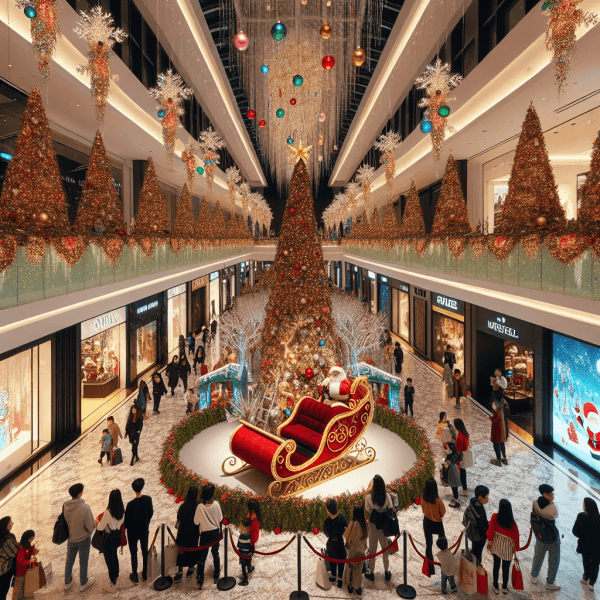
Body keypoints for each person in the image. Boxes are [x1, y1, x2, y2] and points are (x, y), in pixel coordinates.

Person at [63, 483, 96, 592]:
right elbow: (90, 526)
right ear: (79, 493)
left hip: (71, 538)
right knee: (83, 560)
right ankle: (83, 582)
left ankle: (67, 582)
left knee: (69, 560)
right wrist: (90, 530)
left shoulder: (65, 506)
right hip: (83, 539)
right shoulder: (84, 507)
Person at [530, 484, 560, 591]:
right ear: (545, 494)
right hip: (551, 537)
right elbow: (556, 515)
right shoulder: (552, 507)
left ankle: (534, 576)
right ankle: (549, 583)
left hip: (540, 535)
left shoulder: (535, 503)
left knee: (538, 555)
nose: (553, 495)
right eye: (551, 493)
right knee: (554, 559)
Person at [486, 499, 520, 594]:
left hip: (497, 547)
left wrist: (490, 542)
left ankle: (495, 586)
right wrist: (516, 548)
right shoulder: (512, 523)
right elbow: (515, 537)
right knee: (506, 569)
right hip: (508, 550)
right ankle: (504, 587)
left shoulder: (495, 517)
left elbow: (490, 532)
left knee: (496, 567)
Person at [124, 478, 153, 585]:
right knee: (144, 551)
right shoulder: (148, 499)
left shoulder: (130, 505)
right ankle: (145, 573)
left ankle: (135, 575)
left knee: (133, 553)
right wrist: (146, 522)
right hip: (144, 530)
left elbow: (126, 523)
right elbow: (150, 513)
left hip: (132, 533)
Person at [95, 489, 125, 593]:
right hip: (117, 538)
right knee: (114, 556)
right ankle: (116, 574)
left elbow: (100, 528)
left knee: (109, 560)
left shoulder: (108, 513)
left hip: (108, 539)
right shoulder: (122, 511)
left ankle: (113, 583)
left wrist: (97, 522)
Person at [194, 483, 222, 590]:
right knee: (215, 553)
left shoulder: (200, 507)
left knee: (202, 557)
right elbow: (220, 519)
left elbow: (196, 522)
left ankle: (200, 579)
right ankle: (216, 574)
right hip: (215, 533)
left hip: (205, 535)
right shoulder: (217, 504)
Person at [364, 475, 393, 582]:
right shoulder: (387, 496)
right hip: (384, 525)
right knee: (385, 547)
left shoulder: (368, 497)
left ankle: (371, 572)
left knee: (372, 549)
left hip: (373, 525)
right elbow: (390, 508)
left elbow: (367, 509)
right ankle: (387, 571)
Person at [573, 497, 600, 592]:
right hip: (597, 547)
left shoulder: (581, 516)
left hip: (585, 545)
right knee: (595, 565)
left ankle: (586, 577)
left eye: (583, 504)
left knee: (586, 562)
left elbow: (575, 532)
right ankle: (592, 583)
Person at [421, 478, 446, 576]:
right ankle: (444, 564)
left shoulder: (423, 496)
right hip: (438, 524)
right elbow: (443, 513)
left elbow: (423, 509)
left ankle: (430, 569)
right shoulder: (438, 501)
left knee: (429, 545)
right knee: (443, 543)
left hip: (427, 522)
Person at [174, 487, 200, 583]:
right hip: (193, 533)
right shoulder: (198, 506)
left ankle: (179, 570)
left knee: (181, 552)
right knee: (192, 550)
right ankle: (190, 568)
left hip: (182, 533)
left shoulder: (183, 506)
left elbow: (179, 518)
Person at [462, 485, 490, 566]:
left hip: (471, 532)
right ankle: (477, 564)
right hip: (478, 536)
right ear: (480, 497)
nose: (488, 499)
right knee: (478, 551)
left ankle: (473, 559)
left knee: (474, 548)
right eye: (487, 496)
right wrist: (485, 535)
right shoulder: (480, 511)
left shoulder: (473, 501)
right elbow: (482, 527)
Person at [344, 505, 368, 595]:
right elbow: (367, 535)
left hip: (353, 549)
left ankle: (349, 585)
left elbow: (347, 535)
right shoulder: (364, 523)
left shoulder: (353, 523)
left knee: (350, 567)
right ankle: (357, 587)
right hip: (361, 549)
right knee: (358, 569)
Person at [323, 499, 348, 588]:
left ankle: (333, 576)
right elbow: (346, 530)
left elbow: (327, 534)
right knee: (341, 560)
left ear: (329, 510)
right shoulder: (341, 518)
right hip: (340, 543)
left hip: (331, 544)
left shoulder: (326, 521)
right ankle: (340, 579)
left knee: (332, 560)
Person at [12, 531, 38, 600]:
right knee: (19, 591)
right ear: (31, 537)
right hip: (21, 573)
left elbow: (28, 553)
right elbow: (20, 561)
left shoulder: (27, 546)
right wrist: (29, 561)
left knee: (25, 590)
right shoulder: (22, 549)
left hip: (26, 572)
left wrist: (33, 553)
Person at [0, 517, 18, 600]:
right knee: (2, 593)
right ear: (5, 526)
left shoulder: (4, 536)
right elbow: (14, 552)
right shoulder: (6, 539)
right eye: (10, 523)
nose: (12, 525)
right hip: (4, 571)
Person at [490, 399, 509, 466]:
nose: (492, 406)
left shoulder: (499, 413)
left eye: (493, 405)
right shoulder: (499, 412)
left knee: (497, 446)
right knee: (502, 445)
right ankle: (504, 458)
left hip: (498, 434)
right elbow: (493, 418)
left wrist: (492, 419)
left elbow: (495, 421)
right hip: (501, 434)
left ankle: (499, 460)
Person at [454, 418, 470, 495]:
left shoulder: (460, 436)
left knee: (462, 473)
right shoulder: (465, 433)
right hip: (465, 455)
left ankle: (464, 489)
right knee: (464, 472)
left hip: (461, 457)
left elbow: (458, 449)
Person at [444, 442, 462, 509]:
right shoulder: (458, 453)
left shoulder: (449, 456)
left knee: (453, 483)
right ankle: (456, 496)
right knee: (455, 483)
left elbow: (446, 463)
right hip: (456, 468)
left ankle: (455, 496)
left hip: (451, 470)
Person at [246, 499, 261, 575]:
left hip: (250, 536)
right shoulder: (255, 514)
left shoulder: (251, 516)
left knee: (249, 551)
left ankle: (248, 566)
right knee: (250, 550)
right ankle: (248, 566)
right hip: (253, 536)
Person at [237, 518, 253, 586]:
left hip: (243, 554)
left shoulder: (242, 536)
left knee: (243, 567)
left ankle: (245, 579)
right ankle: (249, 570)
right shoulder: (250, 535)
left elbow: (239, 545)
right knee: (248, 563)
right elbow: (250, 545)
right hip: (249, 554)